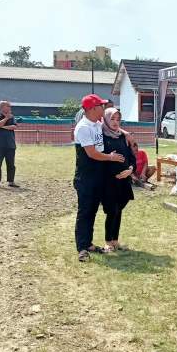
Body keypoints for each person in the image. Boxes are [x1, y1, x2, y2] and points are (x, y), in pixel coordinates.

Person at [73, 95, 126, 262]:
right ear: (92, 109)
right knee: (85, 212)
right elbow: (92, 153)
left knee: (93, 211)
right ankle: (82, 247)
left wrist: (128, 134)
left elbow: (114, 127)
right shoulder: (83, 127)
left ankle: (88, 243)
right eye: (101, 106)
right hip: (86, 177)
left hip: (98, 176)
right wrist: (110, 157)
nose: (104, 108)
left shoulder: (96, 123)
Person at [101, 107, 136, 252]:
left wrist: (130, 170)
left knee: (119, 210)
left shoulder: (122, 137)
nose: (115, 122)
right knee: (112, 210)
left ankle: (115, 240)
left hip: (124, 181)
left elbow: (131, 157)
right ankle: (108, 241)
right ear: (106, 119)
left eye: (118, 119)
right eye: (112, 119)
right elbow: (99, 159)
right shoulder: (101, 136)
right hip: (109, 181)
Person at [0, 101, 19, 188]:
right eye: (9, 106)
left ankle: (11, 181)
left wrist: (3, 127)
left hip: (10, 145)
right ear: (3, 107)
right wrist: (6, 119)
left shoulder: (12, 117)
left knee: (11, 164)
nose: (10, 108)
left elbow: (14, 127)